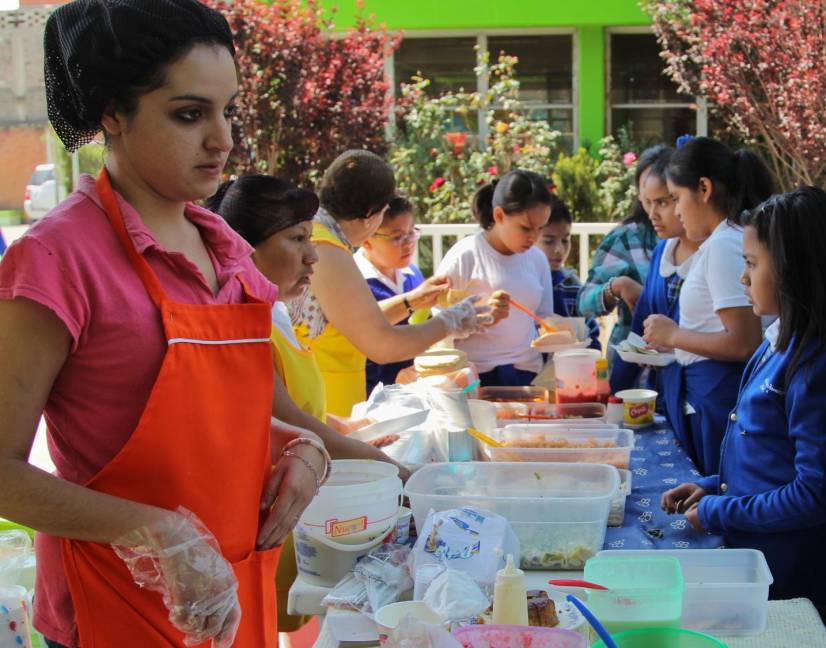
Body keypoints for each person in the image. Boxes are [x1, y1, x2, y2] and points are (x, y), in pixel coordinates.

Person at [0, 2, 330, 645]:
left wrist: (299, 446)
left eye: (227, 109)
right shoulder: (55, 259)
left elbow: (212, 421)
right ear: (112, 114)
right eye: (189, 114)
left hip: (237, 591)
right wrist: (159, 533)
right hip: (113, 605)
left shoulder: (228, 252)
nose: (223, 139)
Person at [663, 188, 826, 648]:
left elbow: (814, 493)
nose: (743, 279)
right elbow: (771, 452)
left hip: (802, 581)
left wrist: (722, 510)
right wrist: (714, 482)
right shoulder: (780, 339)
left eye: (752, 264)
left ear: (794, 271)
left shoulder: (821, 365)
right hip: (768, 568)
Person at [208, 175, 412, 633]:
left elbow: (295, 411)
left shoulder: (277, 312)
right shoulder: (246, 325)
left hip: (306, 502)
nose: (312, 254)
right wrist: (393, 470)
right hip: (271, 513)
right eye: (297, 238)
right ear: (245, 248)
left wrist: (347, 430)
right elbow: (292, 421)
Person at [292, 150, 490, 416]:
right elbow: (382, 345)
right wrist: (449, 322)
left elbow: (357, 321)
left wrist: (413, 301)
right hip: (322, 403)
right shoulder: (326, 248)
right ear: (370, 214)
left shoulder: (321, 235)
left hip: (326, 398)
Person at [642, 137, 771, 475]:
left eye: (676, 198)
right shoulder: (722, 241)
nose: (678, 211)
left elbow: (743, 342)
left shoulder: (725, 244)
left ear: (704, 188)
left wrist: (673, 335)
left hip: (717, 392)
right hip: (707, 391)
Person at [436, 170, 551, 386]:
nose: (534, 237)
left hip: (528, 374)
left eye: (540, 228)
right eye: (526, 228)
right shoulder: (465, 255)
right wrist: (481, 318)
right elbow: (436, 325)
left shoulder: (537, 259)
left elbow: (545, 319)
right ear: (499, 216)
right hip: (474, 376)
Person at [609, 146, 699, 413]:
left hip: (701, 396)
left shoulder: (714, 253)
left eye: (663, 202)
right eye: (647, 203)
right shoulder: (663, 250)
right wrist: (613, 399)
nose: (652, 214)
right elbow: (639, 329)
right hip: (663, 393)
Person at [355, 195, 451, 392]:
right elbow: (365, 326)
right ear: (366, 239)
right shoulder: (354, 280)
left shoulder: (411, 273)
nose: (408, 243)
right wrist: (414, 300)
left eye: (411, 233)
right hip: (369, 392)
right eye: (397, 237)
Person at [576, 146, 661, 355]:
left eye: (664, 198)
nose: (655, 209)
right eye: (647, 192)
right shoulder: (626, 238)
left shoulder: (701, 238)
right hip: (635, 366)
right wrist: (614, 288)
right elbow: (583, 302)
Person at [535, 196, 600, 350]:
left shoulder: (572, 286)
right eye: (549, 241)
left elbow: (591, 335)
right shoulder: (524, 286)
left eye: (565, 240)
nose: (559, 250)